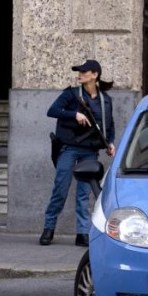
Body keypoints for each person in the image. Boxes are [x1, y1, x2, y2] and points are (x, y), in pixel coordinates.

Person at [41, 59, 116, 247]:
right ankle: (48, 228)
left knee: (83, 193)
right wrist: (74, 114)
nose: (80, 74)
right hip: (70, 148)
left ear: (95, 75)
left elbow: (109, 124)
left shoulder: (105, 100)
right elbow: (52, 111)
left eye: (84, 71)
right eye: (79, 71)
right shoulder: (71, 94)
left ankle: (82, 233)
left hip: (90, 151)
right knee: (61, 188)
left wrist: (110, 142)